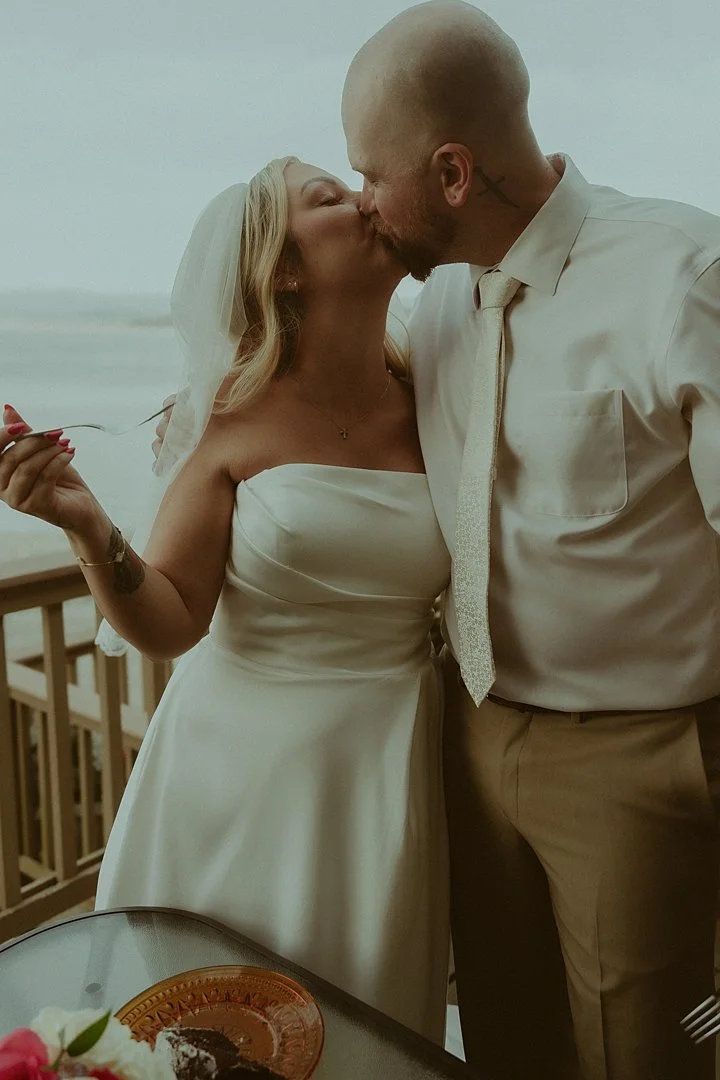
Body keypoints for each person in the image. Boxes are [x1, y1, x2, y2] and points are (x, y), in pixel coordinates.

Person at [341, 3, 720, 1078]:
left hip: (637, 761)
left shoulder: (681, 275)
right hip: (469, 735)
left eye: (372, 173)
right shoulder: (446, 304)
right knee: (508, 1039)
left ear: (452, 173)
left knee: (650, 1053)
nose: (365, 202)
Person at [0, 156, 451, 1042]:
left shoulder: (443, 396)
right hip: (231, 770)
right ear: (281, 266)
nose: (365, 198)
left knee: (361, 1025)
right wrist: (89, 526)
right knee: (199, 1025)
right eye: (329, 198)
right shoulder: (224, 416)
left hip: (381, 767)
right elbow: (170, 619)